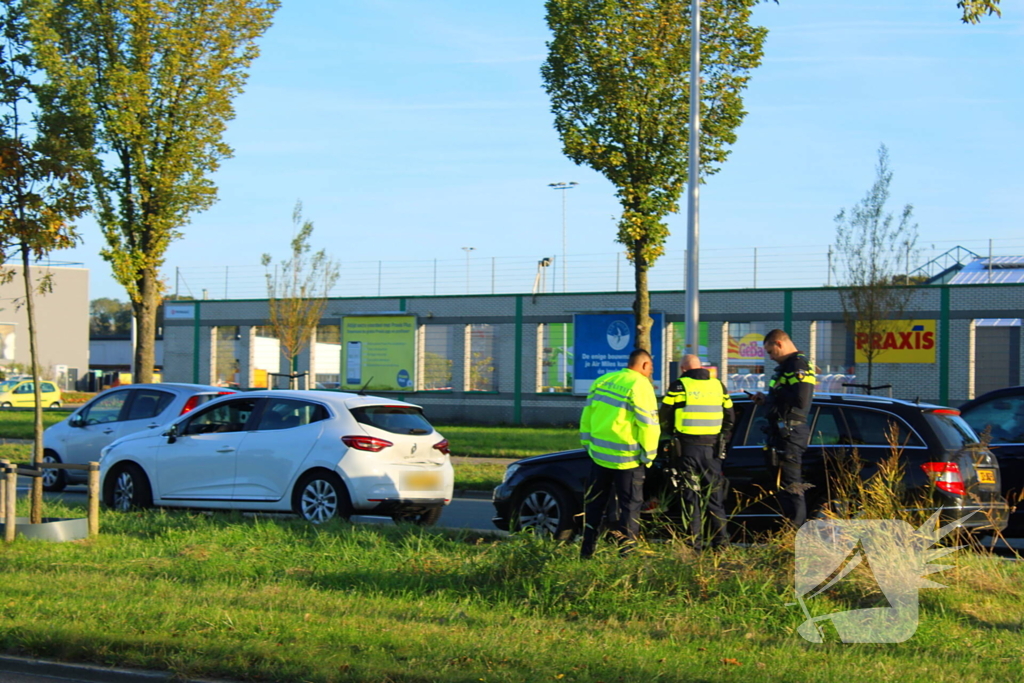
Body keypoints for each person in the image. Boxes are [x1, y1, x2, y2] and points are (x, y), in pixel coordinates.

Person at [579, 349, 660, 558]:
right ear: (643, 365)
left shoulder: (603, 380)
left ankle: (587, 553)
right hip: (628, 460)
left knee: (595, 507)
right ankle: (626, 557)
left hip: (599, 457)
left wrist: (589, 444)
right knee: (629, 511)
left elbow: (587, 414)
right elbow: (649, 425)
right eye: (651, 368)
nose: (651, 372)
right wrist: (648, 456)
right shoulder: (641, 386)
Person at [660, 354, 734, 551]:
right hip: (712, 452)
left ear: (684, 369)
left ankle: (694, 547)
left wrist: (671, 434)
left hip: (687, 450)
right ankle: (721, 546)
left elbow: (664, 415)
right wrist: (721, 438)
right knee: (714, 499)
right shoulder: (718, 386)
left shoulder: (679, 386)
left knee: (691, 498)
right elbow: (730, 417)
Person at [753, 329, 815, 527]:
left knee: (792, 486)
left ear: (779, 343)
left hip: (791, 433)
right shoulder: (788, 366)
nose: (771, 357)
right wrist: (767, 399)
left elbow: (801, 400)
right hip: (782, 433)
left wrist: (778, 390)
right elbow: (784, 398)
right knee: (783, 487)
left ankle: (796, 535)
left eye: (771, 352)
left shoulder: (798, 364)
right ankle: (788, 530)